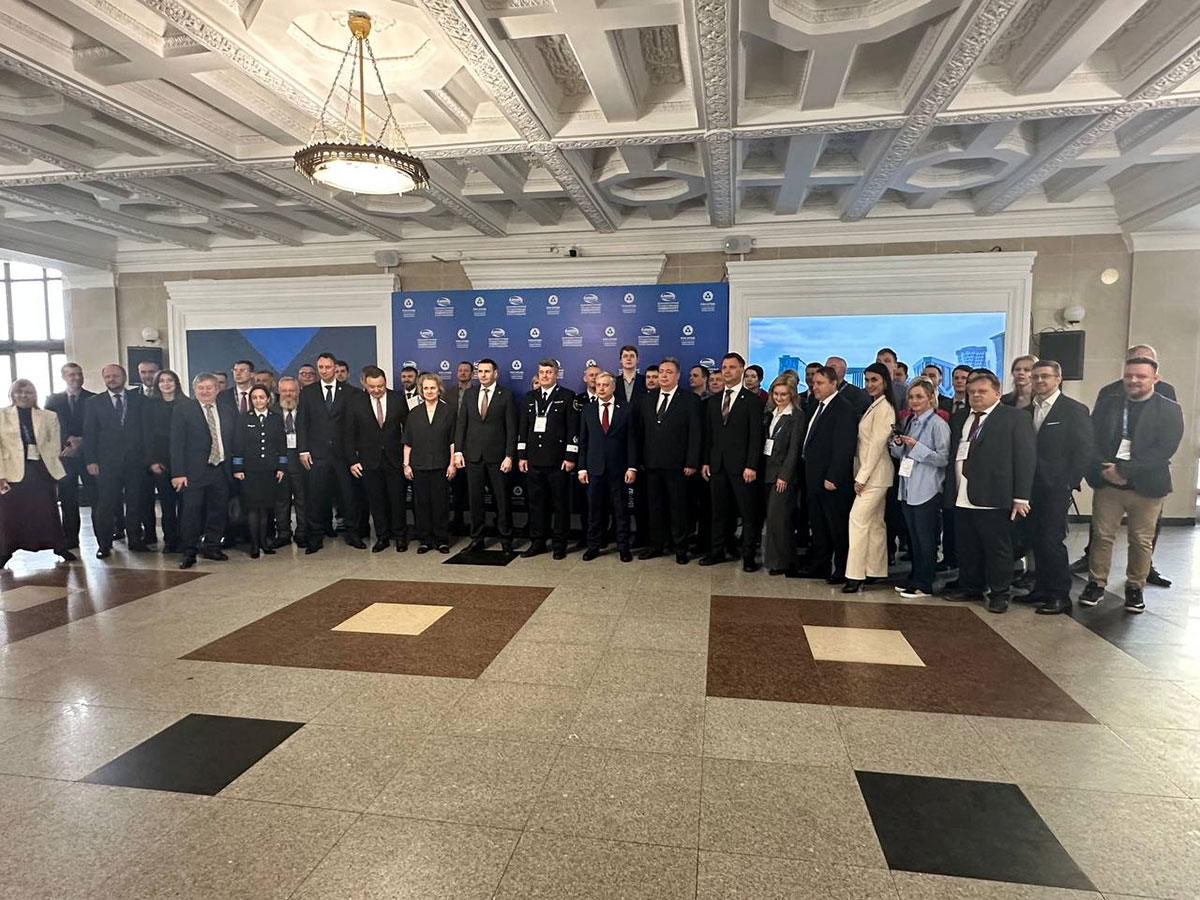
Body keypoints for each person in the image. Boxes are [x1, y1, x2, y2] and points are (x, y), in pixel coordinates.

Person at [1081, 357, 1184, 614]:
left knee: (1140, 540)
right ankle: (1096, 584)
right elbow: (1090, 439)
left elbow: (1164, 450)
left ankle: (1135, 587)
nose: (1133, 380)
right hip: (1108, 484)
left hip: (1147, 486)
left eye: (1141, 376)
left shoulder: (1169, 409)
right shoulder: (1108, 404)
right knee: (1102, 536)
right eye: (1129, 375)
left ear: (1155, 379)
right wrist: (1104, 468)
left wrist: (1124, 470)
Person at [943, 369, 1035, 614]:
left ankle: (999, 593)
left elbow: (1025, 458)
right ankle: (971, 587)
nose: (975, 395)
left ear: (997, 393)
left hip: (995, 495)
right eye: (972, 392)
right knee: (967, 546)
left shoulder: (1014, 418)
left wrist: (1021, 496)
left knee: (997, 549)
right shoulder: (961, 417)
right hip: (962, 493)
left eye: (982, 391)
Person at [1021, 360, 1095, 615]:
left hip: (1056, 487)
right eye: (1035, 377)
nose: (1039, 381)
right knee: (1035, 538)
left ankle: (1059, 595)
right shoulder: (1028, 410)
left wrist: (1069, 482)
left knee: (1052, 540)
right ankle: (1041, 589)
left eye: (1045, 376)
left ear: (1058, 379)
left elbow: (1084, 448)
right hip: (1030, 487)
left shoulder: (1073, 409)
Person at [700, 352, 764, 572]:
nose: (727, 371)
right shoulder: (713, 401)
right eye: (724, 367)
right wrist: (706, 461)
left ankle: (748, 557)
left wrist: (751, 465)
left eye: (732, 367)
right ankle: (717, 551)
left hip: (742, 467)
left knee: (748, 513)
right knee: (718, 512)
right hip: (717, 466)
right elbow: (709, 435)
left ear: (742, 370)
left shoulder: (752, 401)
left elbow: (756, 437)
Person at [0, 380, 74, 567]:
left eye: (28, 392)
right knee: (10, 513)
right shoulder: (2, 415)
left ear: (34, 395)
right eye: (19, 392)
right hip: (12, 471)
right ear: (12, 395)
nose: (24, 396)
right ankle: (6, 550)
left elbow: (54, 443)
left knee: (47, 510)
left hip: (40, 469)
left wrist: (50, 461)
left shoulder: (48, 416)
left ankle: (58, 546)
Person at [296, 352, 362, 553]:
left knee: (349, 496)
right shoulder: (308, 392)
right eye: (321, 367)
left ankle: (353, 534)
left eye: (328, 367)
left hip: (344, 454)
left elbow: (354, 425)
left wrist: (355, 452)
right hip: (317, 453)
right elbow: (302, 423)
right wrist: (303, 450)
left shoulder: (349, 392)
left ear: (335, 368)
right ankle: (315, 537)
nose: (324, 371)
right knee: (316, 497)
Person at [890, 379, 950, 598]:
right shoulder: (910, 421)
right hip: (908, 487)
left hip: (927, 488)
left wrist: (918, 448)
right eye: (911, 397)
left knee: (925, 539)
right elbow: (901, 454)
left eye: (919, 397)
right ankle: (915, 577)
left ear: (931, 398)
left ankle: (925, 583)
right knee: (913, 537)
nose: (914, 401)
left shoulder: (937, 424)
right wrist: (898, 444)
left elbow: (943, 458)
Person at [639, 357, 701, 564]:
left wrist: (692, 462)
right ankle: (656, 545)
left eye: (668, 372)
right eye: (661, 372)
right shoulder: (647, 399)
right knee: (654, 507)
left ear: (677, 376)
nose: (664, 376)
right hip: (651, 464)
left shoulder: (689, 400)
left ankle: (680, 548)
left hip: (678, 465)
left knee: (678, 508)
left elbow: (695, 433)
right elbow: (641, 432)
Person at [83, 364, 149, 558]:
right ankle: (104, 544)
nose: (112, 379)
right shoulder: (94, 403)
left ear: (124, 377)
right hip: (106, 463)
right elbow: (89, 433)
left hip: (135, 462)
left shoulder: (140, 400)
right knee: (106, 505)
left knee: (135, 503)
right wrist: (90, 460)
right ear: (104, 379)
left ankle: (135, 540)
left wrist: (148, 459)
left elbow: (147, 432)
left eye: (116, 376)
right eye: (108, 376)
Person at [843, 363, 898, 592]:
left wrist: (862, 477)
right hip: (873, 474)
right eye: (867, 380)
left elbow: (876, 445)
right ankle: (875, 570)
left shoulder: (885, 407)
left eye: (874, 380)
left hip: (875, 475)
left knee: (857, 520)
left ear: (885, 381)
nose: (869, 384)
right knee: (875, 524)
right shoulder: (875, 405)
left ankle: (854, 575)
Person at [171, 373, 235, 569]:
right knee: (191, 512)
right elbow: (176, 443)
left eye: (209, 388)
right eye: (201, 388)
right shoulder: (183, 410)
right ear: (194, 390)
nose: (205, 391)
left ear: (217, 389)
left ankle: (212, 546)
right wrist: (178, 473)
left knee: (218, 511)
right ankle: (189, 551)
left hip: (221, 469)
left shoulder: (227, 410)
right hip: (193, 472)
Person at [799, 365, 856, 582]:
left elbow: (844, 447)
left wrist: (833, 477)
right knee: (819, 525)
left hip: (830, 480)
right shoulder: (817, 405)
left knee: (836, 526)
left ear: (834, 383)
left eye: (820, 383)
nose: (815, 387)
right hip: (813, 477)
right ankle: (820, 565)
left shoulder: (843, 408)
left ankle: (841, 569)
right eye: (814, 383)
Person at [454, 358, 517, 552]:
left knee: (502, 500)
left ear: (495, 374)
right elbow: (462, 424)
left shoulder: (506, 395)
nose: (482, 375)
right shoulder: (470, 394)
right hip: (473, 456)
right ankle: (477, 539)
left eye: (487, 371)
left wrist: (509, 455)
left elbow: (511, 428)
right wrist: (458, 451)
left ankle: (506, 539)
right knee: (475, 500)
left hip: (498, 457)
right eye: (480, 371)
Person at [518, 359, 579, 559]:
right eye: (542, 372)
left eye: (549, 372)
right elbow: (523, 428)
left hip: (557, 461)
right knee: (536, 504)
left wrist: (570, 456)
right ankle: (538, 542)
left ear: (556, 374)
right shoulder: (530, 397)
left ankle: (559, 544)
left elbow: (572, 429)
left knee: (560, 504)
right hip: (534, 460)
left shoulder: (567, 396)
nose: (545, 376)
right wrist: (522, 455)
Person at [345, 366, 408, 552]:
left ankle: (400, 536)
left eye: (380, 386)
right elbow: (348, 434)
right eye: (372, 387)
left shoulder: (397, 398)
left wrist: (407, 457)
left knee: (397, 499)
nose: (376, 390)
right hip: (369, 460)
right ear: (365, 384)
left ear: (385, 382)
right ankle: (382, 537)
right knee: (376, 500)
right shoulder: (356, 402)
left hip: (394, 458)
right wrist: (352, 460)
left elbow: (408, 428)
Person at [577, 371, 638, 562]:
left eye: (605, 385)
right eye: (598, 385)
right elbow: (583, 441)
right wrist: (582, 468)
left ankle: (624, 548)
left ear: (613, 387)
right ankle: (593, 546)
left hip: (619, 469)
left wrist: (632, 467)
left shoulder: (626, 408)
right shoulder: (588, 410)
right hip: (594, 469)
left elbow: (632, 440)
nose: (601, 388)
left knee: (621, 511)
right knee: (594, 511)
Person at [403, 373, 458, 553]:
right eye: (425, 388)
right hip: (419, 465)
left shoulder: (449, 411)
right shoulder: (414, 413)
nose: (429, 391)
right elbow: (408, 441)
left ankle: (442, 540)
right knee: (421, 505)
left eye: (432, 388)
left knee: (441, 504)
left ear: (439, 389)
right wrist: (406, 464)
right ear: (421, 390)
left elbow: (453, 441)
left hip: (441, 465)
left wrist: (452, 464)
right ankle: (425, 540)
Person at [232, 385, 286, 558]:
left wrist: (281, 466)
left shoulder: (275, 418)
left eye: (262, 397)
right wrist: (238, 467)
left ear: (268, 399)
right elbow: (238, 444)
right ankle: (254, 545)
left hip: (269, 469)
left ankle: (264, 542)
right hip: (250, 470)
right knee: (253, 508)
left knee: (265, 508)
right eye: (254, 398)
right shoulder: (244, 418)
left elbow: (281, 444)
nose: (258, 401)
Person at [44, 362, 94, 549]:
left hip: (89, 454)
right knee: (67, 498)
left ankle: (104, 539)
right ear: (64, 377)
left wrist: (81, 441)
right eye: (72, 374)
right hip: (65, 455)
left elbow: (98, 426)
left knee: (96, 496)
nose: (76, 378)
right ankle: (71, 538)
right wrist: (69, 440)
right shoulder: (53, 400)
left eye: (79, 374)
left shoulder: (93, 398)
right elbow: (49, 426)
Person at [760, 376, 802, 576]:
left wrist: (784, 476)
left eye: (783, 394)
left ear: (791, 395)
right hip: (768, 471)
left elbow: (794, 449)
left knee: (779, 518)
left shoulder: (796, 416)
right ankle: (776, 559)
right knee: (772, 518)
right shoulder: (771, 413)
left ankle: (781, 562)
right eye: (776, 394)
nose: (779, 398)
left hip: (783, 476)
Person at [146, 369, 185, 553]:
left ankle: (185, 538)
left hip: (184, 461)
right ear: (157, 385)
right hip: (161, 462)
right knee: (167, 504)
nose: (166, 384)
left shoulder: (187, 404)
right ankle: (170, 540)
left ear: (176, 383)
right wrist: (152, 461)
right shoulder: (150, 406)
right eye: (162, 381)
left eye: (170, 380)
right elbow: (147, 436)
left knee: (185, 504)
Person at [274, 377, 307, 549]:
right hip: (280, 460)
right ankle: (283, 533)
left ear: (298, 391)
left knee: (302, 498)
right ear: (279, 391)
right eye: (284, 390)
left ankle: (302, 532)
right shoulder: (272, 411)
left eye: (292, 390)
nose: (288, 394)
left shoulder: (305, 409)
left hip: (301, 460)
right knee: (281, 499)